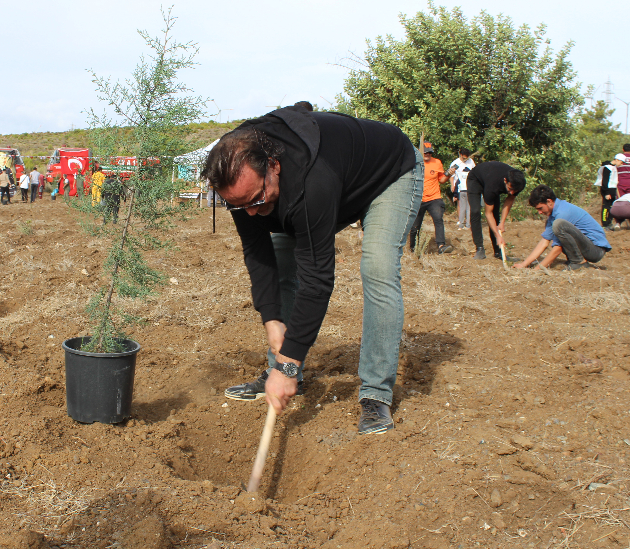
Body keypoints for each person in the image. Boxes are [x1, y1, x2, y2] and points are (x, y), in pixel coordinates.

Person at [201, 104, 422, 435]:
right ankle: (282, 371)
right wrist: (272, 320)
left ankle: (376, 394)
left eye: (256, 200)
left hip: (389, 173)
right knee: (279, 257)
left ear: (273, 166)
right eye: (238, 205)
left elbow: (317, 281)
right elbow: (257, 251)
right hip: (331, 182)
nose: (248, 213)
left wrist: (287, 363)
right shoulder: (235, 173)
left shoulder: (312, 180)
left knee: (377, 267)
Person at [515, 185, 611, 271]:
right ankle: (577, 261)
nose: (539, 212)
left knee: (558, 224)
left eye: (540, 208)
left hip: (596, 250)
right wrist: (523, 264)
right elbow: (544, 242)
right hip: (587, 247)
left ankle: (578, 262)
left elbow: (558, 248)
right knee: (557, 225)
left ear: (549, 202)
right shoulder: (553, 215)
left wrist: (538, 269)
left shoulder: (563, 213)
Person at [465, 161, 526, 260]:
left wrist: (502, 222)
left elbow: (509, 200)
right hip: (476, 179)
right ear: (505, 180)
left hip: (491, 177)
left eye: (514, 190)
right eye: (510, 188)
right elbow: (487, 213)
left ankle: (498, 252)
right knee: (475, 211)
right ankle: (479, 249)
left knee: (496, 215)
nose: (511, 192)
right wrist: (498, 235)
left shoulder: (519, 183)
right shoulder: (493, 186)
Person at [409, 143, 453, 255]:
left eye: (430, 152)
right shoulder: (414, 162)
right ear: (420, 151)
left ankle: (441, 245)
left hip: (434, 197)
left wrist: (449, 174)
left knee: (438, 219)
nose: (427, 154)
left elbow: (442, 180)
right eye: (425, 151)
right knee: (415, 226)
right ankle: (413, 248)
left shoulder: (437, 162)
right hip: (418, 198)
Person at [446, 148, 474, 229]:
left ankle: (467, 222)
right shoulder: (455, 163)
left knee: (468, 205)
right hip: (459, 186)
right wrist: (452, 185)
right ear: (460, 154)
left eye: (466, 158)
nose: (465, 160)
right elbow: (451, 175)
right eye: (464, 158)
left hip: (468, 186)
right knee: (460, 203)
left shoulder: (471, 161)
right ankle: (460, 220)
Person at [594, 160, 619, 228]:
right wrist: (607, 193)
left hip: (613, 190)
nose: (621, 164)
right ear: (617, 160)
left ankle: (609, 221)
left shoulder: (614, 167)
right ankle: (605, 223)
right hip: (607, 191)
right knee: (606, 207)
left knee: (612, 207)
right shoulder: (607, 168)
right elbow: (604, 182)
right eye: (621, 162)